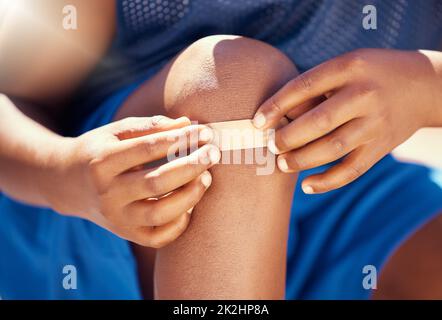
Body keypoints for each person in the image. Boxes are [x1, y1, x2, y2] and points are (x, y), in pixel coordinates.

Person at [0, 0, 441, 299]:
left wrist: (425, 86)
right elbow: (13, 90)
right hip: (108, 206)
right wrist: (62, 173)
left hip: (338, 193)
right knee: (233, 86)